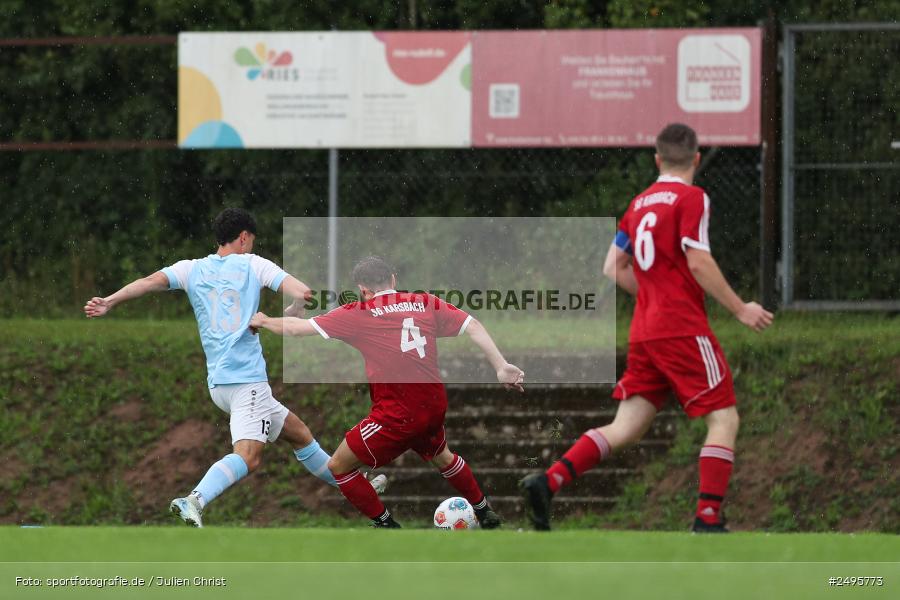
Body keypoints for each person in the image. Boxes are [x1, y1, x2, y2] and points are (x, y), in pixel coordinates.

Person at [520, 123, 774, 532]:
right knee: (723, 419)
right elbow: (698, 261)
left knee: (627, 426)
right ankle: (707, 521)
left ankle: (548, 482)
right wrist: (740, 308)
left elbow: (611, 267)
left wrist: (653, 293)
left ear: (657, 160)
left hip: (644, 329)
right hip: (681, 327)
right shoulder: (692, 198)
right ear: (695, 159)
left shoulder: (638, 204)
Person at [84, 207, 384, 527]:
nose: (251, 246)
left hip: (219, 384)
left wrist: (110, 301)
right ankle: (194, 499)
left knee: (298, 434)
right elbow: (305, 292)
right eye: (251, 240)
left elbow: (148, 282)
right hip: (246, 380)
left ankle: (358, 488)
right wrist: (294, 309)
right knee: (249, 456)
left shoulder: (191, 269)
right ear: (243, 238)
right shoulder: (253, 264)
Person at [250, 255, 525, 528]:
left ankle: (386, 525)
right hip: (433, 404)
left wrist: (263, 320)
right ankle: (484, 511)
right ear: (394, 279)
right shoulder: (424, 301)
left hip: (397, 414)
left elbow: (298, 329)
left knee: (338, 467)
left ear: (362, 290)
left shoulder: (359, 312)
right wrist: (501, 367)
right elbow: (472, 326)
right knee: (443, 456)